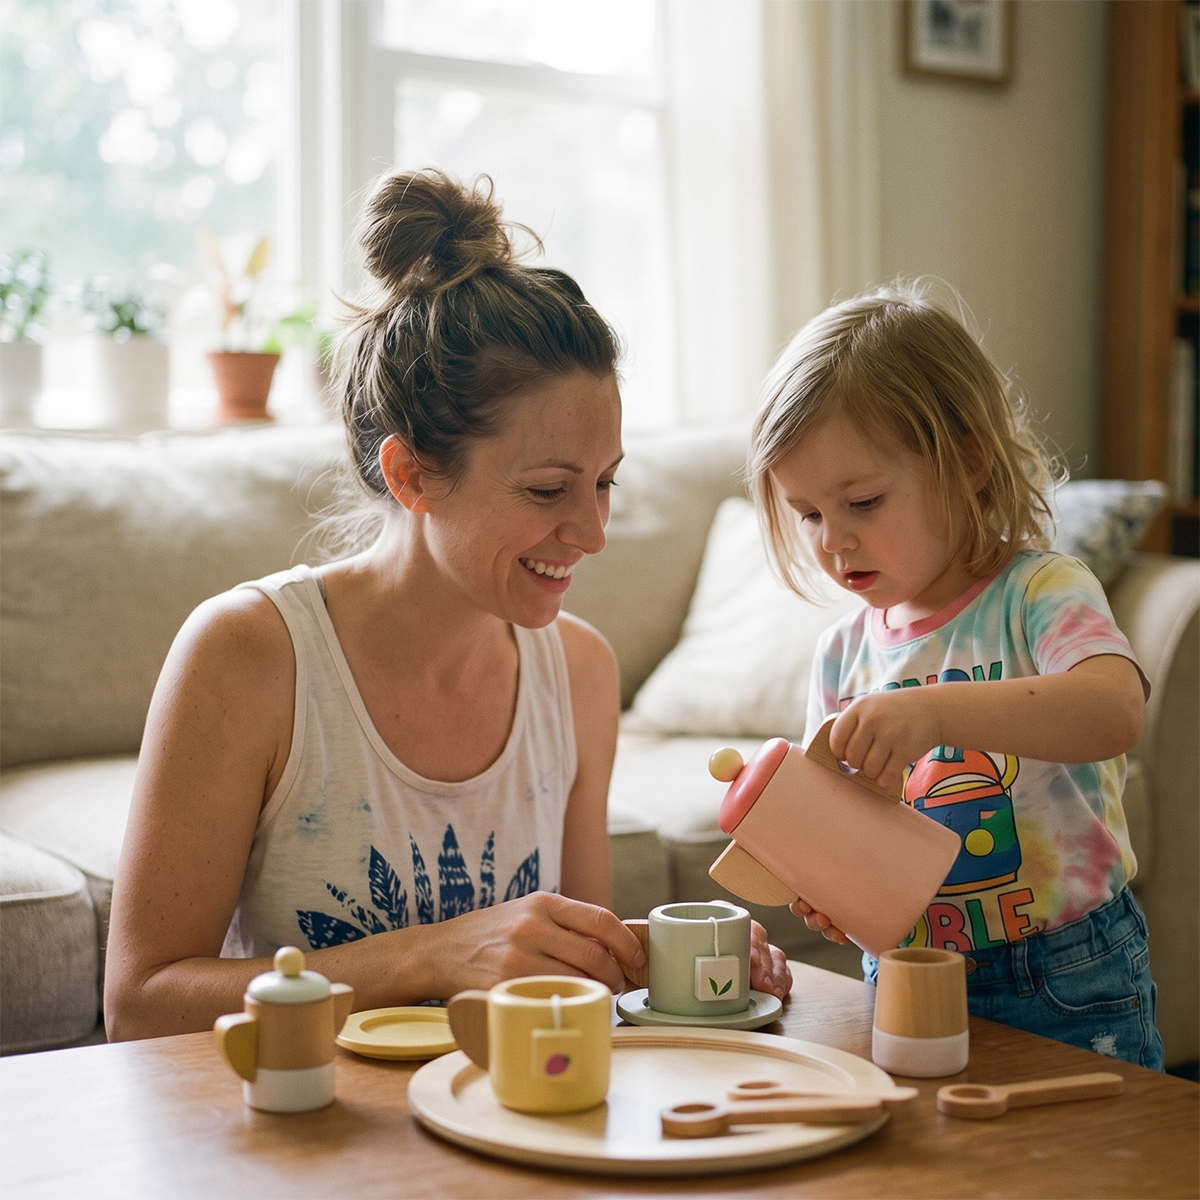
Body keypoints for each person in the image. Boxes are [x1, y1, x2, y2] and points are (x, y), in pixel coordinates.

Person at [105, 169, 791, 1040]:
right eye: (547, 489)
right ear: (410, 474)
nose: (591, 532)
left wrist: (672, 957)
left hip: (513, 1106)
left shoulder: (579, 672)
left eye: (605, 483)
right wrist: (431, 956)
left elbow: (571, 983)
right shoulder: (249, 656)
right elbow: (140, 1005)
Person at [746, 281, 1163, 1069]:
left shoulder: (1040, 592)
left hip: (1066, 970)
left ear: (968, 461)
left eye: (863, 501)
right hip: (905, 972)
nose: (833, 541)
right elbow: (849, 828)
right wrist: (834, 890)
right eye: (809, 514)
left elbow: (1114, 712)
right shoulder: (841, 654)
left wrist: (936, 714)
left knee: (1099, 1145)